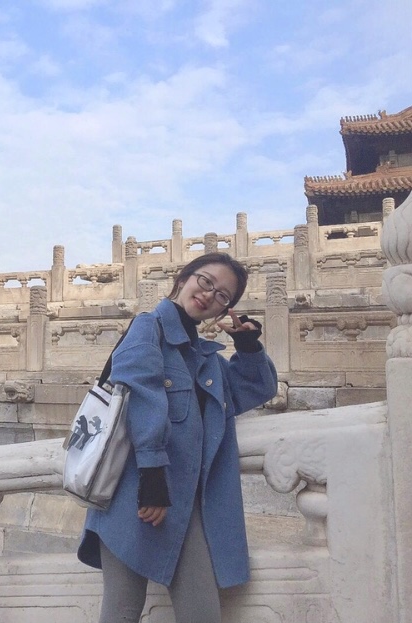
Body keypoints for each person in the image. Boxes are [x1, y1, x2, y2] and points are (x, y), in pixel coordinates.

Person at [77, 252, 278, 623]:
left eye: (222, 295)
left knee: (203, 613)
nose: (209, 294)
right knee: (122, 609)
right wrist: (152, 478)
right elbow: (140, 394)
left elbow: (256, 390)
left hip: (184, 505)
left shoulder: (207, 358)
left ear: (224, 310)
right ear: (183, 278)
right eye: (205, 281)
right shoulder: (147, 328)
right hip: (136, 493)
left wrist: (248, 347)